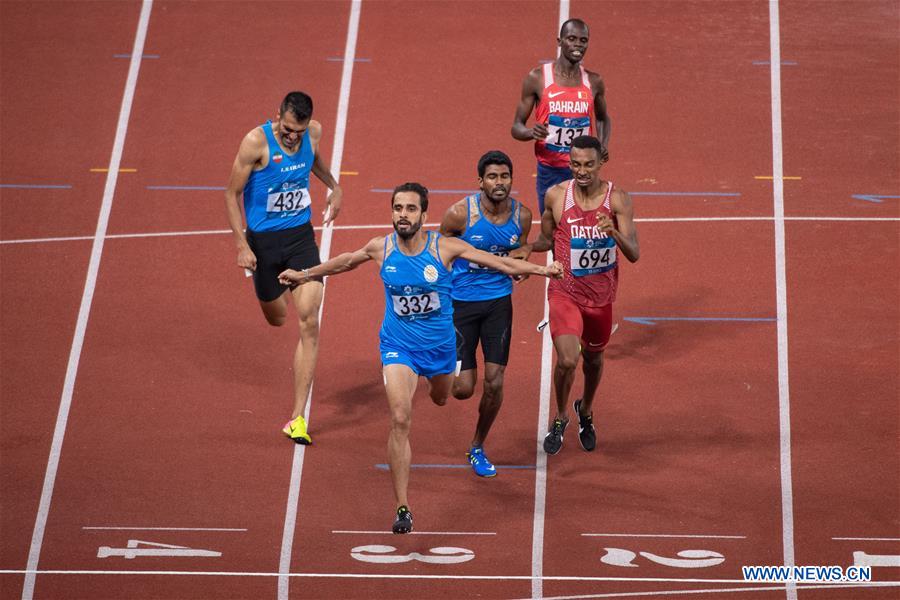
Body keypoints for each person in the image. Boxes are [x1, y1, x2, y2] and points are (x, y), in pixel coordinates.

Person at [279, 183, 561, 533]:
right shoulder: (380, 248)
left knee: (444, 397)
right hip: (399, 347)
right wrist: (303, 274)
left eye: (411, 209)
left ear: (424, 216)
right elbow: (344, 262)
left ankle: (435, 386)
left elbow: (497, 262)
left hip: (441, 349)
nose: (403, 215)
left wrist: (542, 271)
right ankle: (403, 506)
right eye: (398, 208)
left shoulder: (445, 248)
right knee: (399, 417)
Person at [224, 91, 343, 445]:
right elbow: (231, 194)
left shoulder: (313, 133)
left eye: (299, 131)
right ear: (278, 117)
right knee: (277, 318)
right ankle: (275, 286)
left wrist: (335, 187)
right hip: (263, 245)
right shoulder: (255, 142)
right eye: (288, 130)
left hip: (300, 238)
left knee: (309, 318)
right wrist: (241, 244)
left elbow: (314, 162)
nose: (294, 137)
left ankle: (297, 418)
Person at [517, 136, 638, 454]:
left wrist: (612, 232)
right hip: (564, 292)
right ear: (569, 163)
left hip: (601, 298)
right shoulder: (556, 196)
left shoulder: (619, 199)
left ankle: (585, 409)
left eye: (588, 164)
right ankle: (560, 417)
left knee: (594, 361)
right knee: (568, 360)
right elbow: (545, 239)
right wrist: (528, 248)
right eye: (576, 164)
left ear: (601, 162)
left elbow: (634, 252)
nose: (581, 171)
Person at [439, 150, 533, 477]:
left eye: (504, 176)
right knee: (463, 389)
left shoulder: (522, 215)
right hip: (460, 305)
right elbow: (440, 249)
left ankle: (477, 445)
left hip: (497, 304)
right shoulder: (458, 214)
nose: (499, 183)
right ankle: (434, 361)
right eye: (492, 177)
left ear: (511, 180)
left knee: (494, 383)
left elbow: (521, 247)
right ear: (480, 181)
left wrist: (521, 259)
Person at [511, 18, 611, 215]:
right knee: (553, 229)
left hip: (585, 169)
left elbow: (602, 118)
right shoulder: (537, 78)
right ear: (559, 41)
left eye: (583, 40)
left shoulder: (594, 81)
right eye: (571, 39)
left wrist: (603, 144)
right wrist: (532, 132)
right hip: (550, 170)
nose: (577, 45)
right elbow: (516, 127)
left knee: (582, 227)